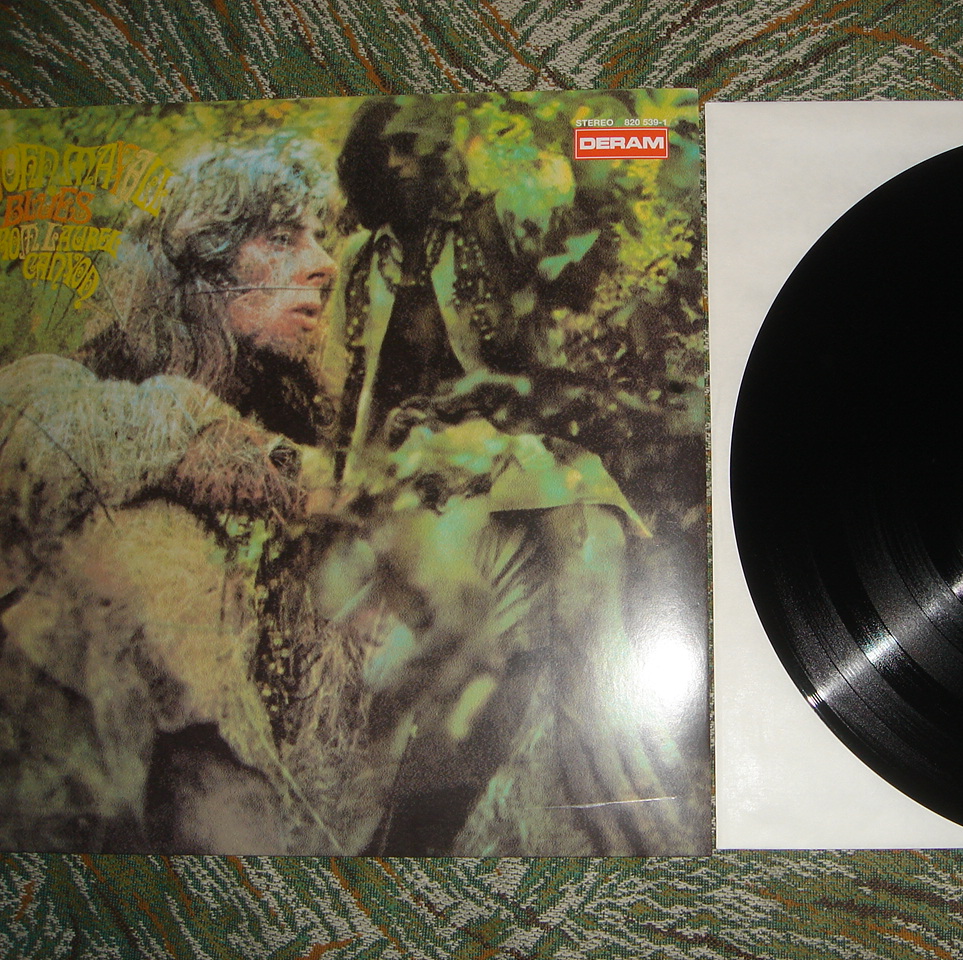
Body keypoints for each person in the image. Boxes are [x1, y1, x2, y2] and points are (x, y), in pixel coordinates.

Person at [325, 96, 706, 855]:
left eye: (416, 147)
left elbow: (599, 172)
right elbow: (349, 393)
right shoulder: (359, 265)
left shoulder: (490, 226)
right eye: (388, 151)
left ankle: (600, 730)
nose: (403, 163)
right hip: (408, 464)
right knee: (537, 550)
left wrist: (644, 135)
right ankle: (579, 752)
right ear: (369, 166)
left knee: (584, 519)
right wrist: (348, 487)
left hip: (498, 442)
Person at [0, 145, 345, 852]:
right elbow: (65, 431)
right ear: (202, 271)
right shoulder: (67, 392)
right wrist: (296, 478)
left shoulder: (306, 413)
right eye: (282, 239)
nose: (323, 264)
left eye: (319, 238)